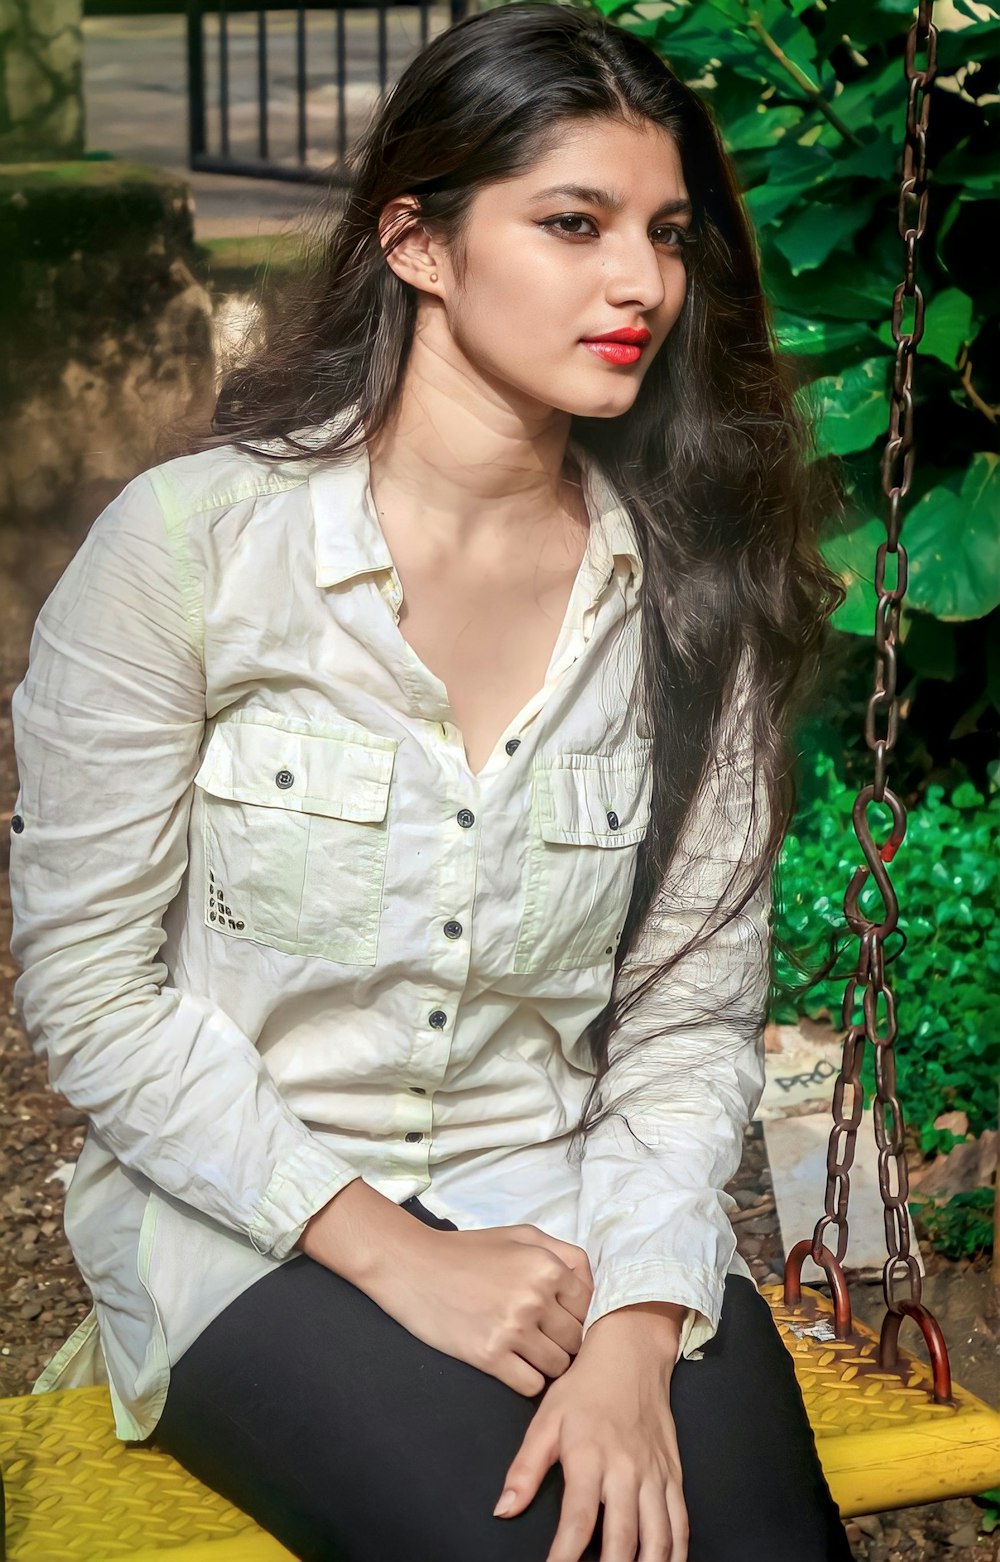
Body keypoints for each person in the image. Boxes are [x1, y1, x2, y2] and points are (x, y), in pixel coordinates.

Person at [8, 4, 855, 1559]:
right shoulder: (193, 551)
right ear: (417, 243)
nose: (641, 284)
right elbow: (89, 993)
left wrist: (637, 1330)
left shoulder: (690, 599)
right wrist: (394, 1252)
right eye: (573, 223)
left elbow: (681, 1022)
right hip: (248, 1220)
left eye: (664, 234)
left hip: (573, 1187)